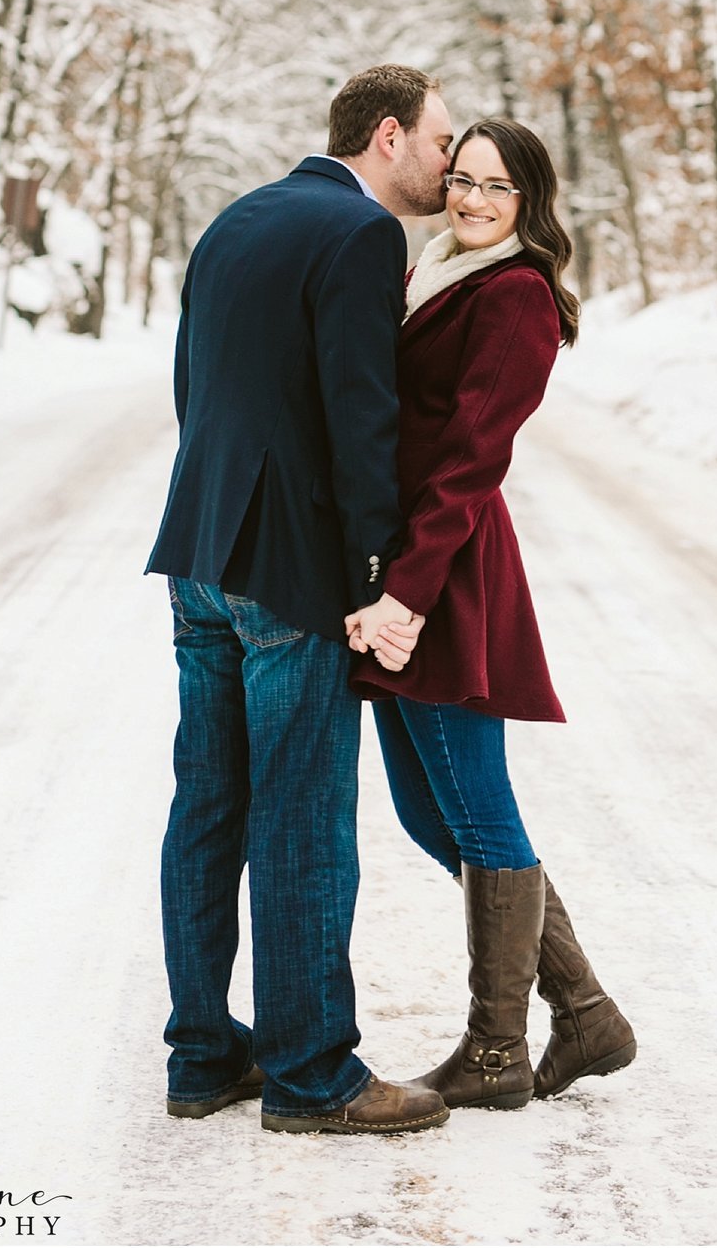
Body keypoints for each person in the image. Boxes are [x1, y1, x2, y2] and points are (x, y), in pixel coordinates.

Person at [145, 63, 456, 1136]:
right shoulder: (363, 237)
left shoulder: (237, 218)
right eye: (438, 142)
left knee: (208, 809)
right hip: (290, 576)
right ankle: (313, 1074)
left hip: (201, 553)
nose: (449, 164)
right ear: (385, 135)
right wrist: (373, 582)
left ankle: (199, 1058)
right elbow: (361, 419)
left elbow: (193, 385)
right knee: (305, 821)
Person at [350, 117, 638, 1112]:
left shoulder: (514, 297)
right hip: (406, 569)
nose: (472, 199)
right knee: (433, 814)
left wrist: (404, 596)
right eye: (462, 179)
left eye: (497, 188)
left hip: (443, 575)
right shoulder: (437, 271)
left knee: (473, 811)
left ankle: (494, 1052)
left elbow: (472, 459)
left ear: (530, 204)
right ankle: (586, 1012)